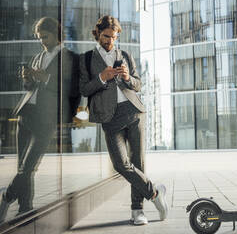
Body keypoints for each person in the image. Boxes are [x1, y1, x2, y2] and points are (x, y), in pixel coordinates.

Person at [79, 15, 168, 225]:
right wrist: (102, 78)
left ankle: (138, 211)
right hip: (109, 117)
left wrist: (128, 78)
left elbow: (138, 85)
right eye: (105, 36)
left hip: (134, 112)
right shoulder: (86, 59)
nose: (109, 41)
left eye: (113, 37)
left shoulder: (125, 54)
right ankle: (154, 193)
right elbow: (84, 88)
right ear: (97, 34)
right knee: (121, 164)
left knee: (138, 162)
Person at [0, 17, 80, 222]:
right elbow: (31, 89)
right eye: (39, 38)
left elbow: (70, 89)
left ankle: (6, 197)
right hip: (26, 114)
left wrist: (46, 78)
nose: (42, 41)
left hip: (46, 118)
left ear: (56, 33)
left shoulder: (70, 57)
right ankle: (25, 208)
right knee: (22, 166)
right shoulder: (38, 57)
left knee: (29, 166)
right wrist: (28, 79)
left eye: (45, 37)